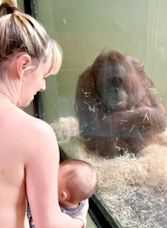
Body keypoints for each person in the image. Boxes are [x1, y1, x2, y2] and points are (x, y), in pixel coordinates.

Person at [0, 0, 83, 227]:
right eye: (44, 76)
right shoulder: (36, 134)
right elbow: (49, 223)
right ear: (24, 64)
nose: (43, 87)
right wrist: (78, 222)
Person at [27, 159, 97, 228]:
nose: (51, 176)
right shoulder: (83, 203)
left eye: (54, 179)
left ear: (62, 195)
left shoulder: (62, 218)